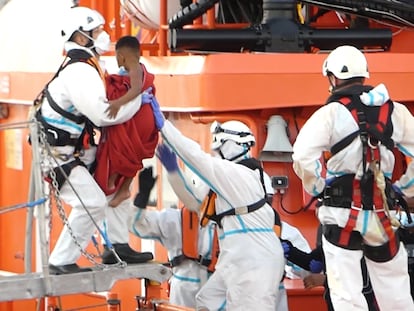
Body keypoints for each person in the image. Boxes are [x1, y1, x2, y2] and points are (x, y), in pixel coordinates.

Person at [292, 45, 414, 310]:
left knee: (347, 294)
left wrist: (317, 186)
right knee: (395, 291)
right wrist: (404, 189)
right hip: (383, 215)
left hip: (342, 214)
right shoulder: (395, 112)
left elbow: (302, 156)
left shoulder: (330, 114)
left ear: (333, 78)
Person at [36, 6, 153, 274]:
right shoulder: (79, 71)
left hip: (74, 150)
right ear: (80, 38)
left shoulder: (88, 65)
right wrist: (137, 101)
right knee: (92, 202)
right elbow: (103, 114)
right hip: (58, 155)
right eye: (97, 31)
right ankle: (60, 261)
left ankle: (117, 246)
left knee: (117, 179)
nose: (103, 35)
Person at [147, 100, 285, 310]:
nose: (215, 152)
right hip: (238, 256)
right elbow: (193, 201)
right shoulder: (246, 177)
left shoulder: (237, 175)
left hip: (251, 259)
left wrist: (164, 127)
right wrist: (173, 171)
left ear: (227, 144)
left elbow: (196, 158)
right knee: (207, 300)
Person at [130, 160, 219, 308]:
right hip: (184, 294)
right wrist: (142, 198)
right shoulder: (175, 220)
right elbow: (137, 225)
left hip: (216, 292)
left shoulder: (228, 223)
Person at [93, 35, 159, 209]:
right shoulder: (134, 69)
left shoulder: (136, 69)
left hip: (141, 121)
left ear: (121, 56)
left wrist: (117, 103)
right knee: (132, 154)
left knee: (124, 150)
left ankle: (115, 183)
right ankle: (121, 188)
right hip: (143, 120)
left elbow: (136, 89)